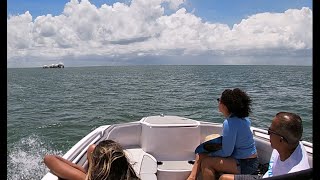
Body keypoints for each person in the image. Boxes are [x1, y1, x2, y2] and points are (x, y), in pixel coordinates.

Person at [187, 88, 258, 180]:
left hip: (245, 164)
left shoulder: (230, 123)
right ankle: (192, 178)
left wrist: (209, 154)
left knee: (207, 162)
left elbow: (227, 152)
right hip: (250, 161)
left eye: (219, 100)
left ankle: (192, 178)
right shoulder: (243, 119)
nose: (218, 103)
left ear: (225, 105)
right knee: (202, 154)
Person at [219, 112, 310, 180]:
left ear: (281, 140)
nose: (268, 134)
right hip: (266, 176)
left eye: (270, 131)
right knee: (224, 178)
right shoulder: (293, 142)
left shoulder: (294, 172)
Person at [44, 139, 140, 180]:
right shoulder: (130, 176)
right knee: (92, 148)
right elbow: (92, 148)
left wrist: (75, 167)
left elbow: (48, 159)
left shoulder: (85, 179)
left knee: (92, 149)